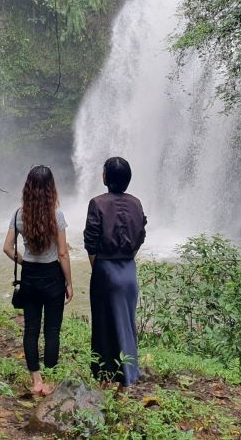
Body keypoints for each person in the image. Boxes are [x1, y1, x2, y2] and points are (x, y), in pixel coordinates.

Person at [3, 165, 73, 395]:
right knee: (52, 330)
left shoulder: (19, 215)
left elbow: (7, 248)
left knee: (31, 330)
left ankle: (36, 381)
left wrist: (24, 262)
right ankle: (50, 381)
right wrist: (69, 283)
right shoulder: (56, 215)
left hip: (30, 277)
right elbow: (62, 253)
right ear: (51, 188)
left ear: (28, 188)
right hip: (53, 276)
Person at [83, 156, 147, 389]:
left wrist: (99, 267)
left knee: (103, 325)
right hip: (129, 270)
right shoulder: (136, 203)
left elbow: (91, 240)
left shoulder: (97, 203)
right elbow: (140, 234)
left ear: (106, 178)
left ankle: (104, 376)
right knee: (127, 324)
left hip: (105, 269)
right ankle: (128, 376)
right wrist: (128, 258)